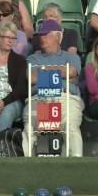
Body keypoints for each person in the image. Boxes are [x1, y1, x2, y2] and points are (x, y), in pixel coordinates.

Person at [22, 20, 84, 157]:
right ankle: (24, 166)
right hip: (39, 97)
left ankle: (76, 166)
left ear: (57, 36)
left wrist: (42, 71)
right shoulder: (33, 58)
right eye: (40, 35)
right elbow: (31, 78)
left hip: (65, 97)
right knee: (30, 129)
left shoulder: (71, 57)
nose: (42, 38)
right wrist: (61, 72)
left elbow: (72, 72)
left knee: (70, 127)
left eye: (46, 35)